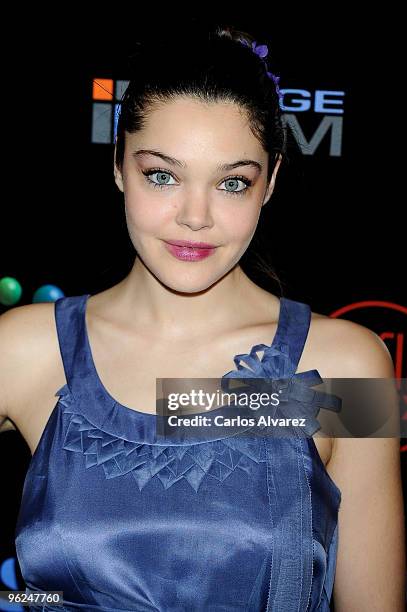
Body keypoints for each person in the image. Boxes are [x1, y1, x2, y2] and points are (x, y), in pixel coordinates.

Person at [1, 23, 405, 611]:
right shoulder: (22, 351)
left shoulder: (351, 365)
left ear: (270, 185)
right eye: (162, 175)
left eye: (232, 183)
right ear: (118, 166)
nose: (195, 215)